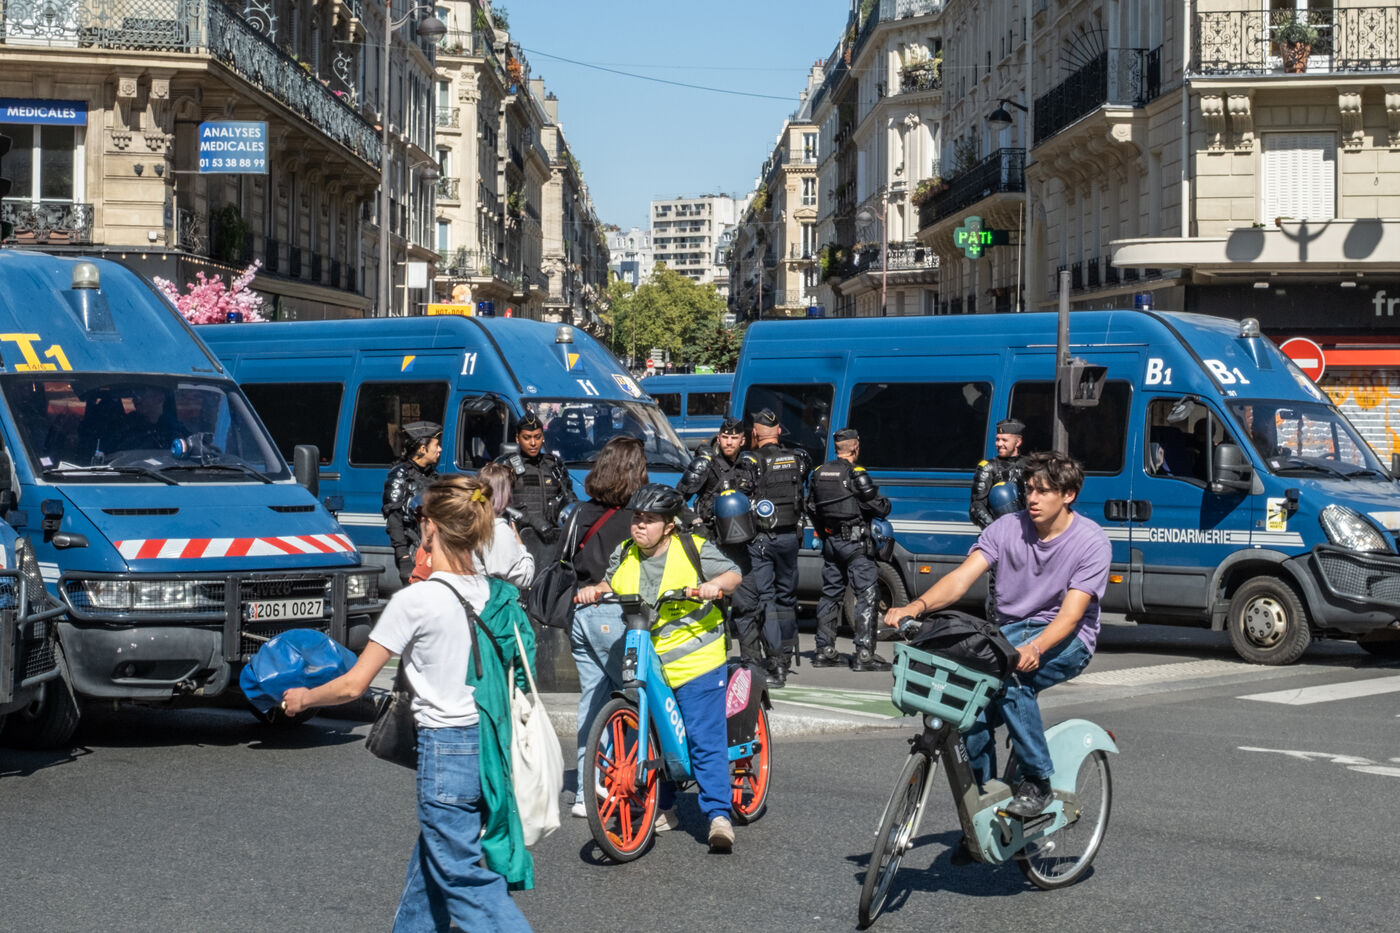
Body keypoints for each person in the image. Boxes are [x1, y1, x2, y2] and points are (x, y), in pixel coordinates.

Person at [282, 475, 534, 932]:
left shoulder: (416, 600)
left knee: (460, 876)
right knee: (434, 864)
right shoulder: (494, 594)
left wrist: (304, 697)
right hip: (491, 748)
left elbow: (353, 685)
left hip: (446, 749)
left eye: (421, 518)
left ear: (431, 527)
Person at [884, 451, 1110, 819]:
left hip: (1066, 639)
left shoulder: (1091, 541)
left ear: (1068, 495)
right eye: (1029, 490)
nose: (1032, 499)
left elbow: (1071, 616)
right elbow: (961, 578)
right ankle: (984, 814)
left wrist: (1036, 647)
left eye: (1043, 491)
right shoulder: (1006, 528)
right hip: (1010, 632)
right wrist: (916, 606)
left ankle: (1038, 781)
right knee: (968, 713)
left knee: (1013, 680)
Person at [575, 483, 743, 852]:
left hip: (696, 659)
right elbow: (609, 581)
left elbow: (733, 575)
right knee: (653, 730)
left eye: (649, 520)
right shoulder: (625, 551)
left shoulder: (693, 547)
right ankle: (663, 806)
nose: (639, 525)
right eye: (637, 517)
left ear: (669, 525)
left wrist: (713, 585)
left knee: (703, 739)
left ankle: (718, 815)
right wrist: (595, 590)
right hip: (650, 656)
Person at [563, 435, 648, 817]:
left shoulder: (581, 511)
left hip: (579, 612)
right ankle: (621, 786)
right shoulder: (639, 519)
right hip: (615, 611)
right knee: (633, 700)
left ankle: (586, 794)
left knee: (592, 702)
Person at [732, 408, 811, 687]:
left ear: (754, 433)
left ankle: (776, 664)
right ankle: (786, 656)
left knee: (766, 599)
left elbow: (738, 498)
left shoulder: (750, 461)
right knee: (786, 597)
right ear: (779, 431)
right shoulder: (799, 457)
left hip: (762, 540)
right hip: (790, 539)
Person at [807, 427, 892, 671]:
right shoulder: (856, 474)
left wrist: (825, 533)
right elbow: (880, 508)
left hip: (832, 543)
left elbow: (810, 507)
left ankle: (824, 651)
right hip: (855, 543)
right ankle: (864, 654)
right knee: (867, 594)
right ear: (855, 447)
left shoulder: (819, 473)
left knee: (830, 595)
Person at [675, 417, 760, 659]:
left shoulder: (748, 465)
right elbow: (676, 498)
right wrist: (695, 522)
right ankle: (716, 660)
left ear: (742, 440)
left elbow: (757, 498)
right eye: (725, 437)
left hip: (741, 546)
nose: (729, 442)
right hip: (712, 544)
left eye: (734, 438)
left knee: (748, 604)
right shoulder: (706, 465)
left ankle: (752, 662)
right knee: (714, 605)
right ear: (719, 438)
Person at [496, 412, 575, 571]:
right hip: (518, 541)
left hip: (552, 543)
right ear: (517, 439)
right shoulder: (507, 466)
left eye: (537, 437)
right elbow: (497, 505)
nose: (533, 443)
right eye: (527, 438)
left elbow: (569, 498)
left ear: (543, 437)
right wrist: (532, 521)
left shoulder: (553, 465)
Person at [382, 421, 442, 586]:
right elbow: (394, 520)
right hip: (413, 551)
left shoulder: (434, 476)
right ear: (422, 449)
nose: (440, 449)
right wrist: (403, 558)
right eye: (436, 445)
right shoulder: (400, 475)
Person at [471, 461, 535, 588]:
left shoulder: (471, 523)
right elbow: (524, 579)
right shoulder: (499, 531)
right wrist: (520, 545)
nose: (511, 497)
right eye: (509, 490)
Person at [969, 418, 1028, 529]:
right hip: (1000, 530)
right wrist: (995, 530)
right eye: (997, 439)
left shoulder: (1030, 466)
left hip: (1028, 530)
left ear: (1018, 442)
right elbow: (976, 507)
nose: (999, 444)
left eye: (1004, 440)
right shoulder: (987, 468)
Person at [113, 385, 187, 451]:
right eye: (134, 395)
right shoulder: (125, 425)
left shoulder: (175, 428)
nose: (134, 400)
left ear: (160, 397)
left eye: (141, 393)